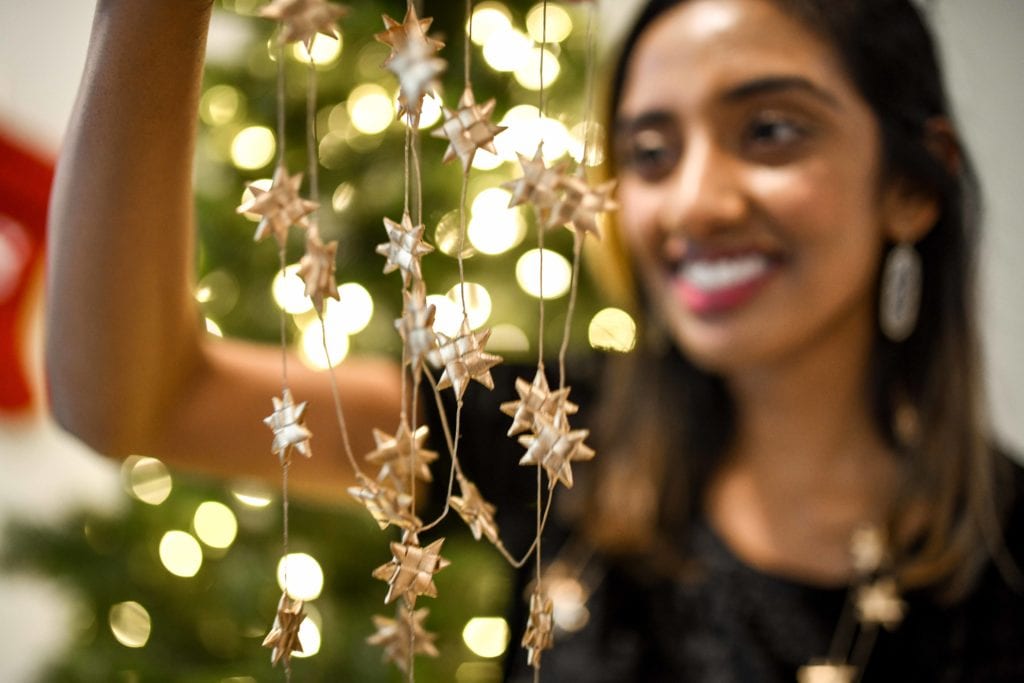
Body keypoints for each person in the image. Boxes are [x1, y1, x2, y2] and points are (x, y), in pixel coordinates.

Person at [46, 0, 1024, 680]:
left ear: (912, 182)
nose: (692, 202)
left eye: (770, 131)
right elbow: (134, 399)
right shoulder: (554, 430)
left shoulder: (1008, 552)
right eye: (649, 152)